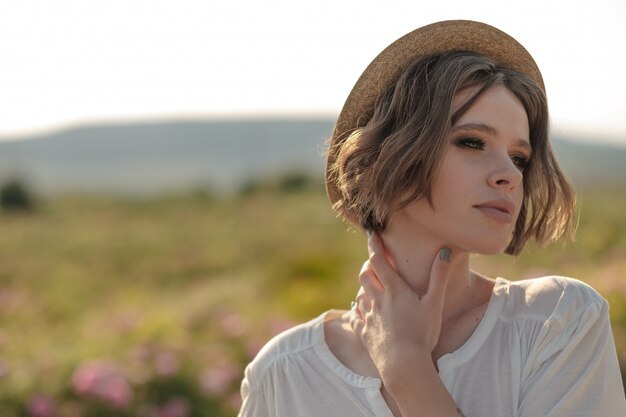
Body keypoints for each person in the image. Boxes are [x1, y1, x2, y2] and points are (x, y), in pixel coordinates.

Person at [237, 20, 626, 416]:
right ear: (391, 155)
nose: (509, 173)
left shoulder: (557, 321)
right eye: (472, 142)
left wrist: (407, 369)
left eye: (519, 158)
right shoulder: (282, 374)